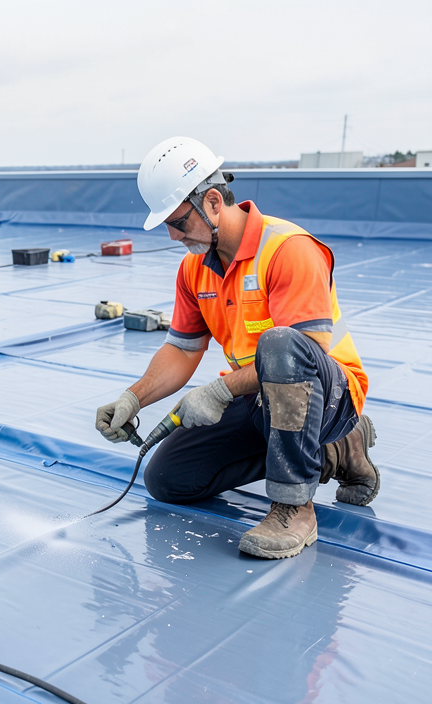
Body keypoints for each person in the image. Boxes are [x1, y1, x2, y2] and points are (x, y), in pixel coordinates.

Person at [95, 136, 379, 560]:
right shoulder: (195, 268)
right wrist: (134, 397)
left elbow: (304, 352)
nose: (174, 236)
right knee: (169, 480)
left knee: (281, 343)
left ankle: (295, 508)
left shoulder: (289, 249)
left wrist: (221, 390)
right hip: (260, 398)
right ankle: (331, 452)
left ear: (212, 201)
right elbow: (182, 350)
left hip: (327, 396)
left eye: (178, 222)